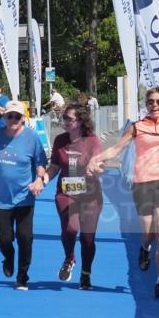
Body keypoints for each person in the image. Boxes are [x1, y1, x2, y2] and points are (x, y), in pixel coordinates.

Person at [88, 60, 159, 300]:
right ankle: (144, 248)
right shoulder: (137, 127)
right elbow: (116, 149)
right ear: (145, 105)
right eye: (150, 102)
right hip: (143, 183)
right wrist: (96, 158)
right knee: (148, 233)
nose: (154, 105)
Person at [0, 101, 48, 290]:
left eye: (17, 116)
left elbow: (40, 162)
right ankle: (8, 256)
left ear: (23, 119)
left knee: (25, 237)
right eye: (10, 116)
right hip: (0, 197)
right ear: (4, 117)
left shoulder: (31, 137)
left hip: (24, 196)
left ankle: (22, 276)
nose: (13, 120)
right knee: (4, 239)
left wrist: (39, 179)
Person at [46, 105, 103, 289]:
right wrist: (43, 179)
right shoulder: (60, 140)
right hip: (66, 192)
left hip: (90, 195)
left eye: (69, 118)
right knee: (70, 228)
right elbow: (55, 166)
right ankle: (69, 257)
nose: (65, 121)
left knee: (87, 238)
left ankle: (85, 274)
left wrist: (95, 169)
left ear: (80, 121)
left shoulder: (92, 140)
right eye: (64, 117)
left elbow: (100, 163)